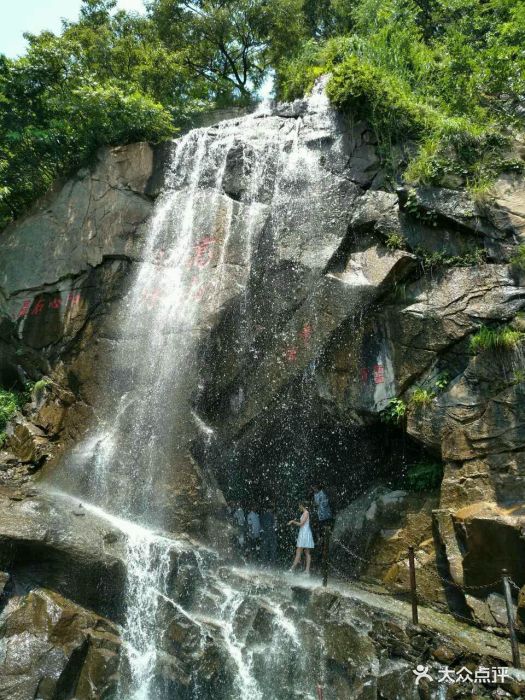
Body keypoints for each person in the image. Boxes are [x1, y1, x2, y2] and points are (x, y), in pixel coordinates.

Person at [287, 502, 314, 574]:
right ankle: (306, 571)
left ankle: (292, 569)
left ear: (302, 505)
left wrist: (292, 521)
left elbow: (301, 524)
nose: (299, 507)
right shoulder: (305, 513)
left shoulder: (306, 513)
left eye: (299, 505)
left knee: (300, 551)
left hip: (304, 533)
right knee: (306, 552)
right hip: (304, 532)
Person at [260, 499, 277, 564]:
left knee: (264, 549)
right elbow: (275, 526)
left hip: (265, 534)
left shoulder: (262, 515)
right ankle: (272, 562)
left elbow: (261, 525)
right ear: (271, 509)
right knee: (272, 549)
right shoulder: (273, 515)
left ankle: (264, 562)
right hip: (271, 533)